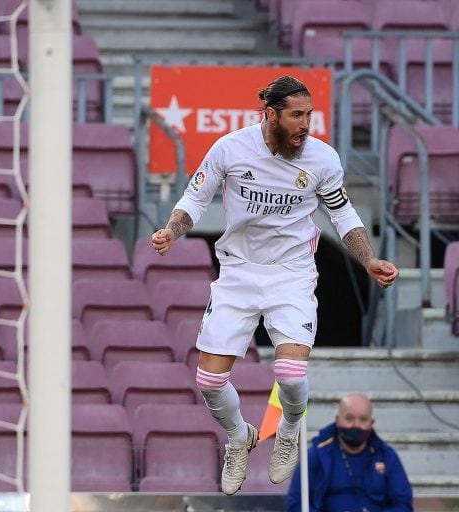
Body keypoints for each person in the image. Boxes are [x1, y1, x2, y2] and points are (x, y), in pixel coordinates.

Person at [150, 75, 399, 495]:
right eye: (297, 116)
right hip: (239, 272)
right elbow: (195, 197)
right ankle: (240, 437)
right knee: (209, 381)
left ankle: (288, 429)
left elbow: (342, 214)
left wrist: (369, 258)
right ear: (270, 114)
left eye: (310, 115)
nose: (306, 125)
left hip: (292, 273)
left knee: (289, 370)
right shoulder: (229, 148)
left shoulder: (322, 159)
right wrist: (173, 230)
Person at [286, 393, 413, 511]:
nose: (356, 425)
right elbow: (296, 504)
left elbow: (403, 505)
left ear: (372, 422)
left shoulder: (386, 456)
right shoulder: (317, 455)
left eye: (363, 419)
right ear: (337, 420)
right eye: (349, 418)